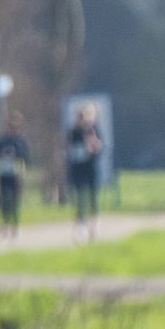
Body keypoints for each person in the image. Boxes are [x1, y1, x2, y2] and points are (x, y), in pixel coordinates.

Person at [65, 103, 106, 241]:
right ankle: (81, 225)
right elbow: (69, 150)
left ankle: (93, 224)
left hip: (91, 168)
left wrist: (94, 145)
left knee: (93, 197)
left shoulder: (95, 130)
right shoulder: (74, 132)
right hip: (78, 169)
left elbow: (100, 148)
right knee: (81, 198)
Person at [0, 113, 32, 239]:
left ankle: (15, 226)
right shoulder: (2, 141)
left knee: (15, 202)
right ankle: (3, 225)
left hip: (16, 175)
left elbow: (26, 158)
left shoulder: (21, 142)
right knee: (3, 201)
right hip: (3, 174)